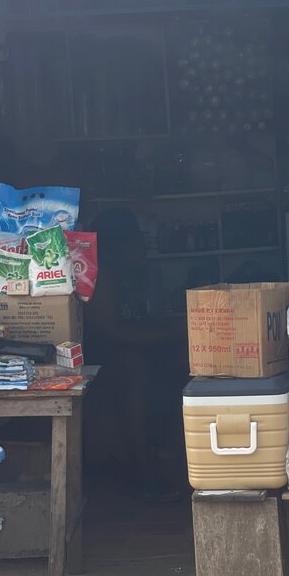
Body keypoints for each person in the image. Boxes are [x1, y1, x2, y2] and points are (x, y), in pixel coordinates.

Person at [84, 208, 187, 503]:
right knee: (135, 365)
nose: (142, 247)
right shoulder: (99, 279)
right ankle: (141, 468)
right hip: (105, 361)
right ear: (114, 248)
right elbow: (117, 332)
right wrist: (173, 333)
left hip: (135, 349)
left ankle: (173, 453)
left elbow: (144, 320)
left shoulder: (141, 275)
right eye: (134, 241)